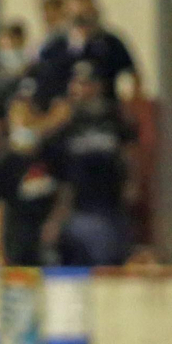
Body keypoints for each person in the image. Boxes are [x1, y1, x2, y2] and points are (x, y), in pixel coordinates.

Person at [43, 62, 137, 266]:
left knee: (108, 262)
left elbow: (129, 152)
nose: (81, 89)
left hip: (109, 205)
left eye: (87, 83)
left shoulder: (113, 117)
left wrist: (131, 181)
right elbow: (52, 158)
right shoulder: (67, 120)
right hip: (77, 207)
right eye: (77, 84)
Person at [33, 0, 141, 110]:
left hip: (104, 113)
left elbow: (132, 76)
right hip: (65, 116)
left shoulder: (111, 44)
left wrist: (128, 104)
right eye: (78, 16)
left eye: (87, 13)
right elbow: (43, 84)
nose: (83, 21)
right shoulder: (55, 47)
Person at [0, 84, 59, 267]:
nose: (24, 120)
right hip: (17, 238)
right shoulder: (5, 160)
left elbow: (65, 191)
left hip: (49, 237)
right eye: (18, 115)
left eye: (29, 114)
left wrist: (55, 221)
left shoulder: (52, 152)